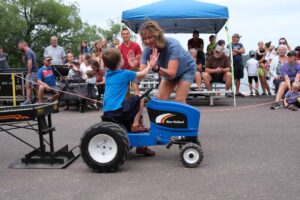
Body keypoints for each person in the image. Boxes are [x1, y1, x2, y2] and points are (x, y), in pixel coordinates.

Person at [102, 47, 155, 156]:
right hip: (118, 112)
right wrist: (150, 65)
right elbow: (142, 74)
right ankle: (135, 125)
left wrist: (134, 67)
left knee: (133, 101)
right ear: (120, 61)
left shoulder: (107, 73)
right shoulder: (124, 74)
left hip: (107, 112)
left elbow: (134, 77)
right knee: (140, 98)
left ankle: (141, 146)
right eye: (121, 57)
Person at [139, 21, 197, 103]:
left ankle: (184, 115)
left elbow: (172, 74)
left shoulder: (173, 45)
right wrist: (133, 67)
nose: (147, 41)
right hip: (167, 71)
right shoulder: (147, 50)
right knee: (161, 99)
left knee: (179, 100)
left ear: (157, 36)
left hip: (187, 69)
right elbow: (141, 72)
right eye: (144, 39)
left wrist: (156, 67)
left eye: (150, 37)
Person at [118, 27, 143, 95]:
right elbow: (118, 62)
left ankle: (138, 105)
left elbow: (140, 59)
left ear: (130, 34)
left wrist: (140, 70)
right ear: (121, 36)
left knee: (135, 88)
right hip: (124, 71)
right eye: (123, 34)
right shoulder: (119, 48)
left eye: (127, 33)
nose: (125, 35)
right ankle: (128, 105)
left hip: (134, 70)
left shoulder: (136, 45)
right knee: (126, 92)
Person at [18, 41, 39, 105]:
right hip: (34, 71)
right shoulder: (29, 51)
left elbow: (30, 63)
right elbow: (25, 61)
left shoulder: (28, 52)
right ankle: (38, 100)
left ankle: (29, 100)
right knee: (34, 86)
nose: (18, 47)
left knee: (28, 86)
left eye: (19, 46)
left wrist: (29, 73)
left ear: (23, 45)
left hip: (32, 71)